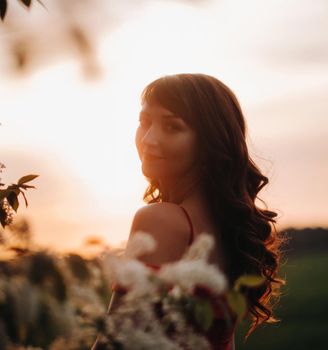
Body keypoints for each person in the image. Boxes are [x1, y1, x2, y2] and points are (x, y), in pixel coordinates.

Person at [95, 73, 284, 350]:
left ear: (209, 142)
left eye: (172, 126)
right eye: (144, 122)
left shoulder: (161, 221)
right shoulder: (229, 231)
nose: (148, 139)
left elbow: (115, 344)